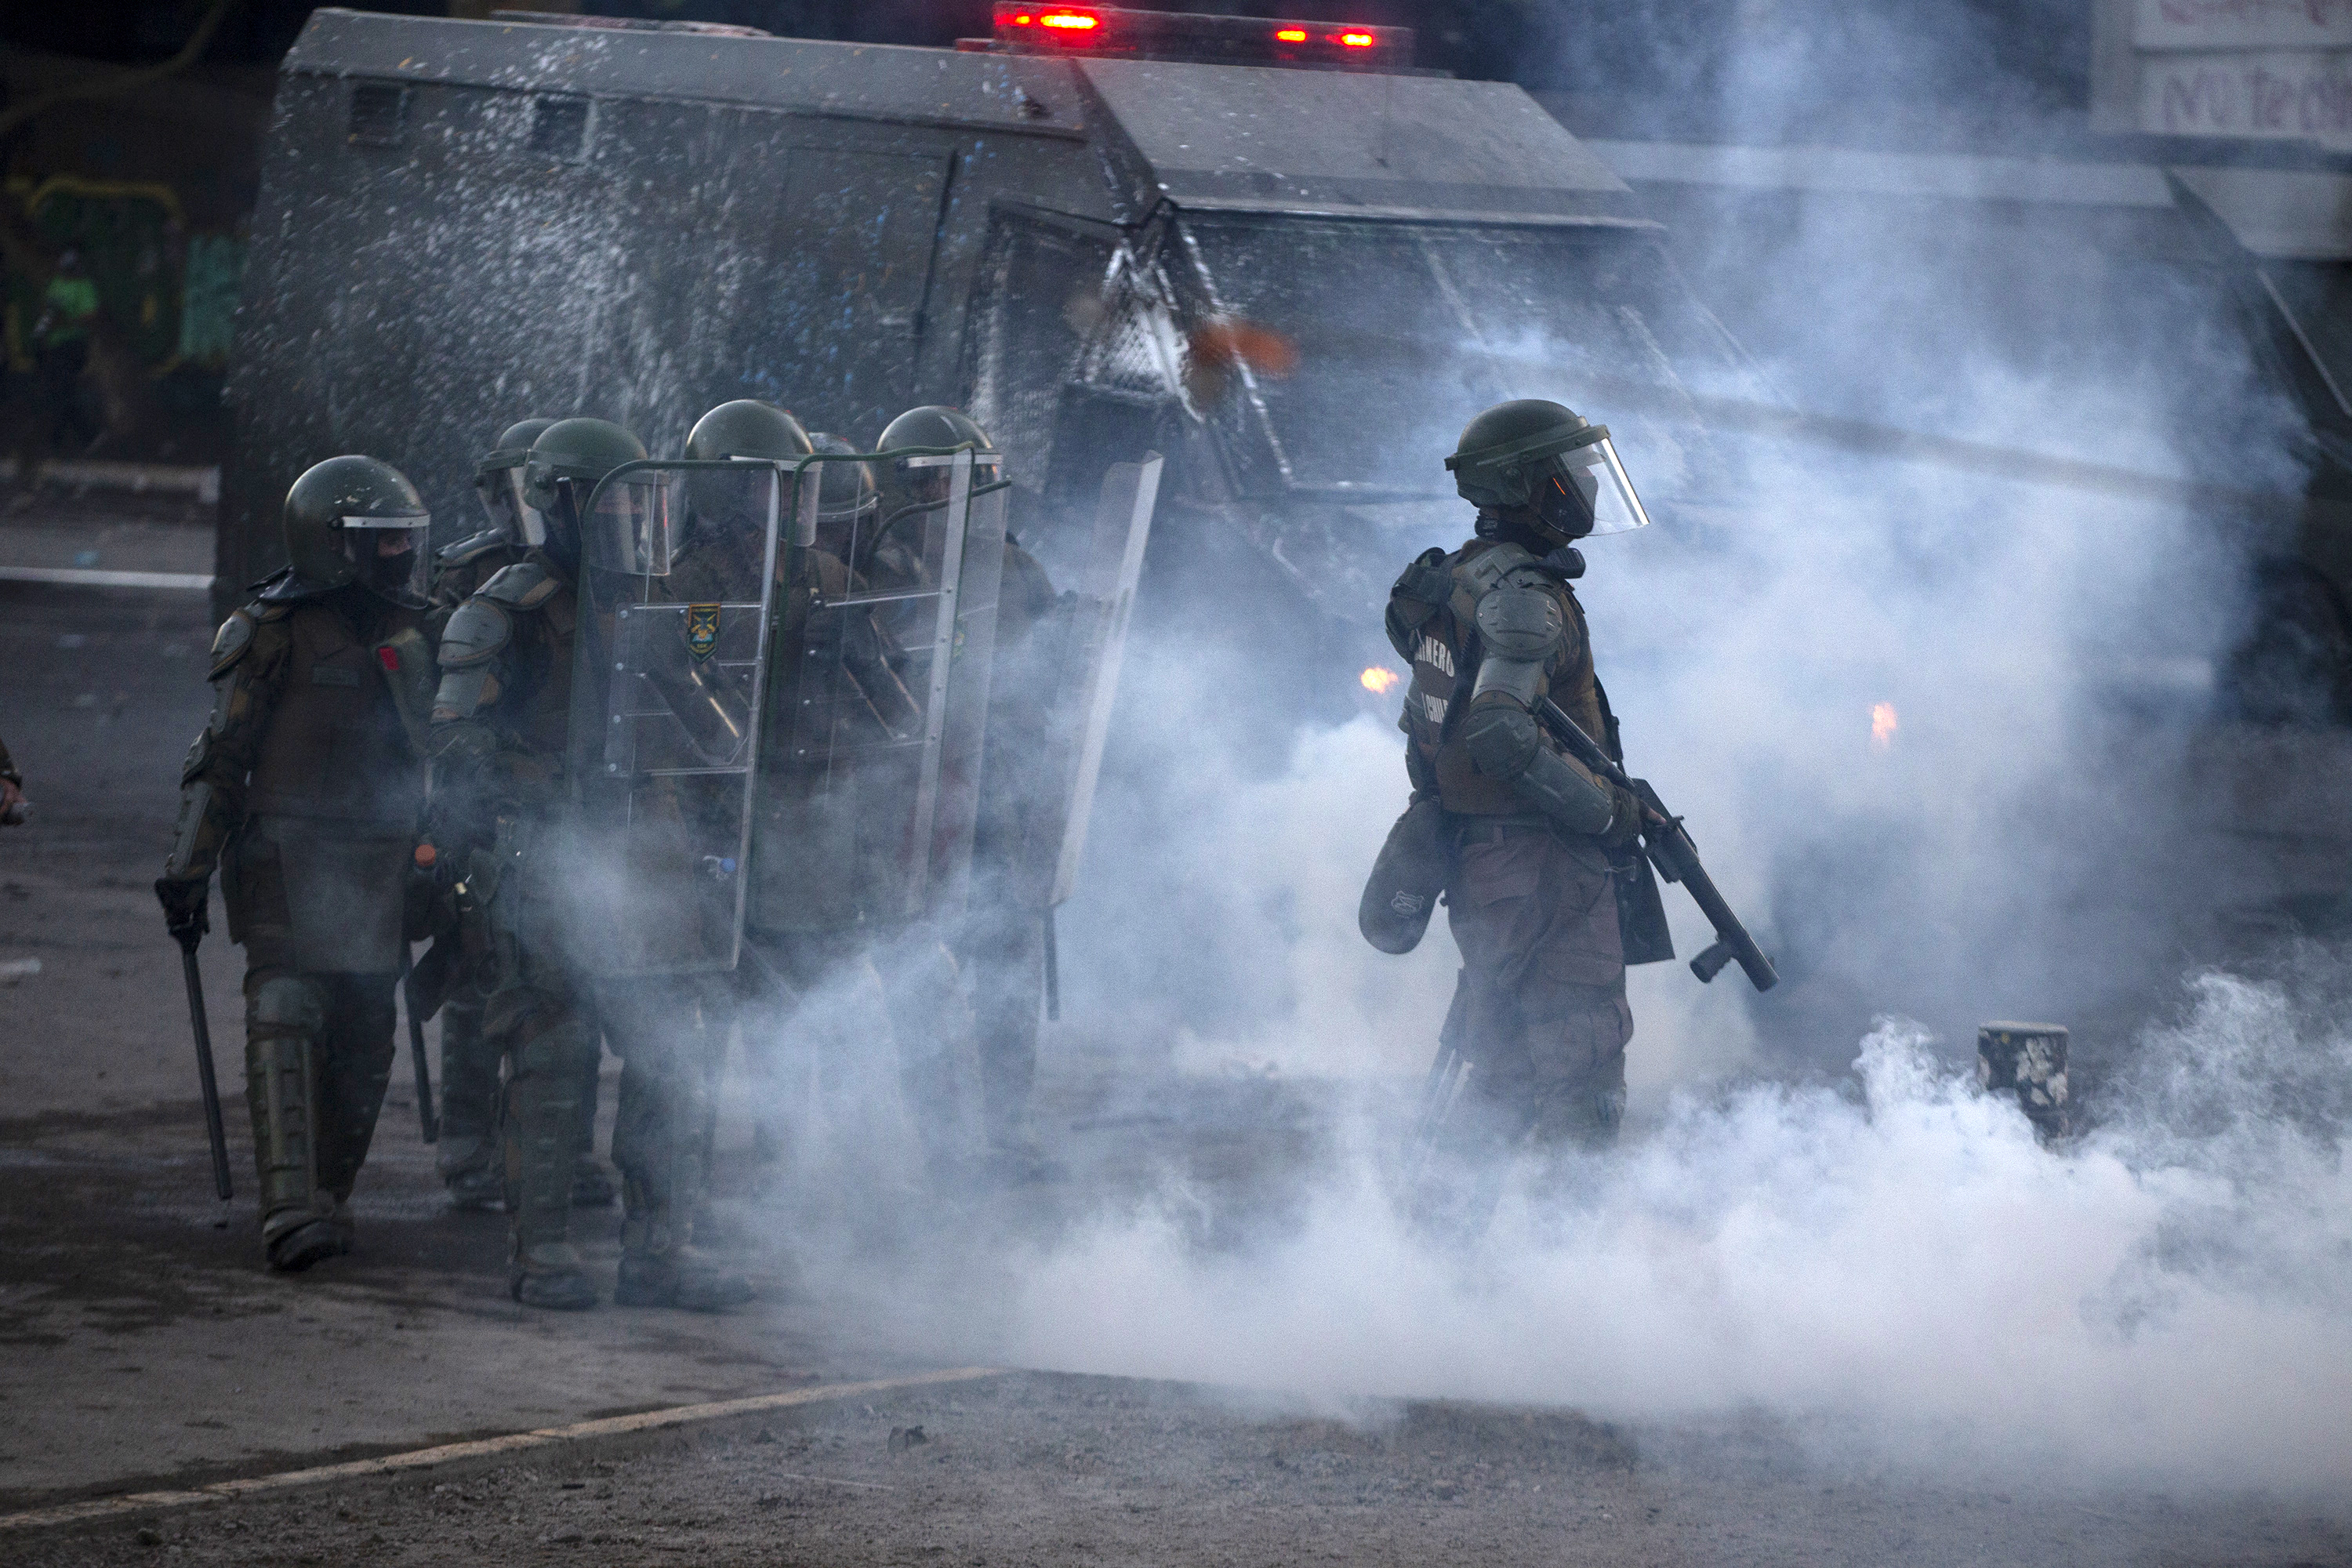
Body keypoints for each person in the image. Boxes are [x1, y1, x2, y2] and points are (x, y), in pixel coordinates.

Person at [428, 416, 750, 1311]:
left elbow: (713, 722)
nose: (636, 517)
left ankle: (659, 1250)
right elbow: (454, 747)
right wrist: (533, 799)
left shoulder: (668, 603)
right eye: (617, 499)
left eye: (647, 498)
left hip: (651, 859)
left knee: (670, 1049)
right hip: (553, 860)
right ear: (564, 503)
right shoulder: (505, 609)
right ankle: (545, 1253)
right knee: (554, 1048)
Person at [153, 456, 435, 1271]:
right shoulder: (269, 632)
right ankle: (286, 1209)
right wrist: (188, 869)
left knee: (367, 1033)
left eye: (400, 541)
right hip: (285, 853)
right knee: (287, 1007)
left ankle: (328, 1194)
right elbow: (222, 759)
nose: (396, 557)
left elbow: (447, 756)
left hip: (378, 862)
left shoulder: (415, 632)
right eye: (379, 542)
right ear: (332, 545)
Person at [1385, 399, 1655, 1189]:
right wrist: (1608, 811)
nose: (1589, 491)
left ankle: (1455, 1268)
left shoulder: (1460, 585)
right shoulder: (1524, 599)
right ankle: (1566, 1273)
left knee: (1499, 1074)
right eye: (1571, 474)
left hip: (1487, 871)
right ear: (1529, 485)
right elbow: (1499, 734)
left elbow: (1426, 738)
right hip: (1546, 872)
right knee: (1582, 1076)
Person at [423, 417, 616, 1213]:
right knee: (480, 986)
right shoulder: (475, 583)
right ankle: (470, 1144)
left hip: (590, 817)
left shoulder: (611, 580)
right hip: (507, 816)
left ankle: (563, 1152)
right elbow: (447, 714)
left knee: (579, 996)